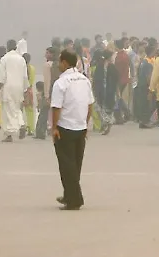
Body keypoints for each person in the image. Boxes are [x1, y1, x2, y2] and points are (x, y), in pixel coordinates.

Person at [51, 49, 94, 211]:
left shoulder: (61, 83)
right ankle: (69, 194)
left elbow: (56, 107)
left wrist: (54, 127)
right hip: (80, 126)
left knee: (66, 165)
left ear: (64, 63)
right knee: (76, 164)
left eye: (59, 61)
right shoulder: (84, 80)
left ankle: (75, 199)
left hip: (65, 127)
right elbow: (90, 105)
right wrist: (86, 123)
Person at [0, 39, 29, 141]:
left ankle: (9, 133)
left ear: (7, 47)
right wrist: (25, 89)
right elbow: (25, 76)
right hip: (19, 86)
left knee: (8, 110)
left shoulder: (5, 59)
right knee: (17, 108)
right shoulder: (21, 59)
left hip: (8, 86)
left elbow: (1, 76)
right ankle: (21, 124)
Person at [90, 49, 117, 135]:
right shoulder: (100, 66)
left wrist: (117, 91)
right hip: (101, 90)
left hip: (110, 90)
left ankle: (107, 125)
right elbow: (96, 79)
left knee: (109, 108)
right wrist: (95, 89)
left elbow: (116, 80)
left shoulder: (112, 67)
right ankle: (106, 123)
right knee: (100, 108)